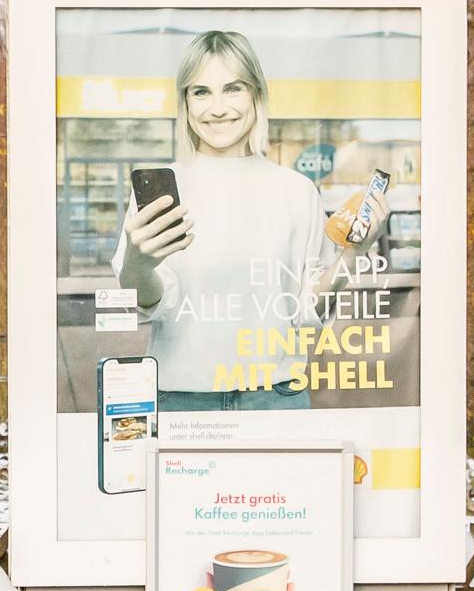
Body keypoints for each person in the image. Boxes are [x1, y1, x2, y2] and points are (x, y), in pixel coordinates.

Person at [114, 30, 342, 411]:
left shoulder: (297, 190)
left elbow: (309, 311)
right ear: (185, 102)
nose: (217, 108)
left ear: (256, 94)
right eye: (200, 92)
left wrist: (351, 255)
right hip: (182, 396)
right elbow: (152, 302)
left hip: (276, 395)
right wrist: (138, 262)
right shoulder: (163, 192)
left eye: (232, 88)